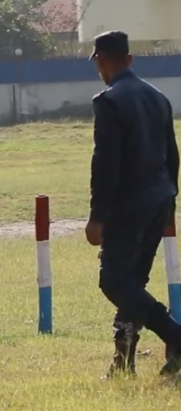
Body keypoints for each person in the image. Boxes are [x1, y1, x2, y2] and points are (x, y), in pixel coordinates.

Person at [85, 30, 181, 379]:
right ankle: (123, 362)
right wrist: (170, 198)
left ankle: (175, 335)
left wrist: (97, 216)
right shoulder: (158, 97)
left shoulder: (109, 101)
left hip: (128, 207)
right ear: (129, 59)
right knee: (133, 284)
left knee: (113, 281)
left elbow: (106, 163)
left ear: (100, 61)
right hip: (159, 200)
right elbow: (173, 155)